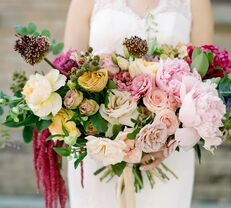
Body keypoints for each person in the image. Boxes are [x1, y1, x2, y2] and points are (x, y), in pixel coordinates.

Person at [64, 0, 214, 207]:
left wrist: (165, 142)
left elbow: (204, 76)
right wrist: (105, 141)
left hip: (169, 150)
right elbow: (69, 69)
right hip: (96, 148)